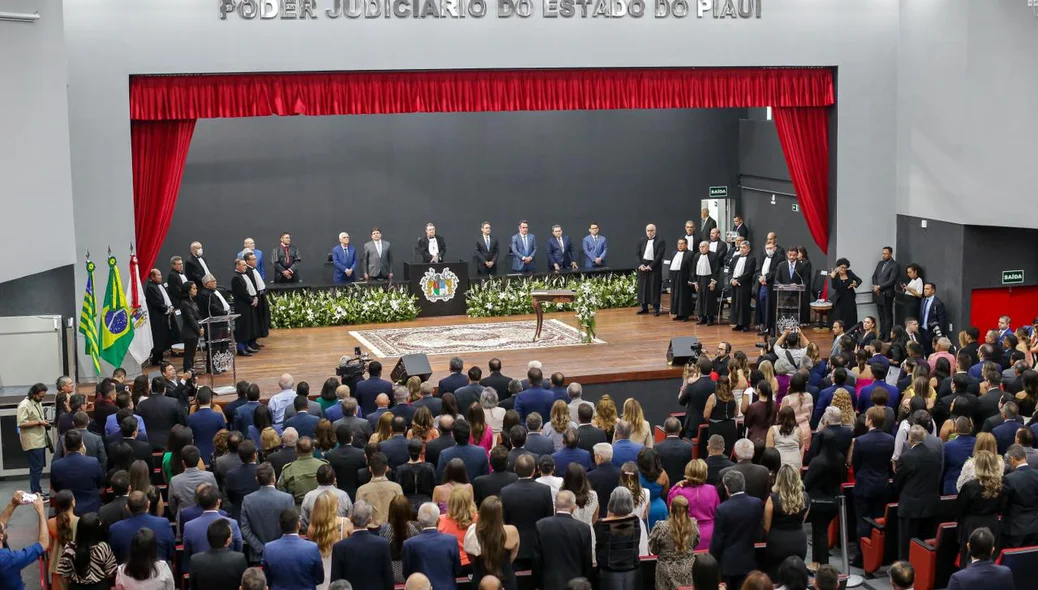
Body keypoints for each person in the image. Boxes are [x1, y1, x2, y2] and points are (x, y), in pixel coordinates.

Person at [710, 470, 763, 590]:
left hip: (729, 565)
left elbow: (717, 541)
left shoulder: (722, 509)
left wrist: (712, 560)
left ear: (727, 488)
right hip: (750, 560)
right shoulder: (756, 503)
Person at [500, 453, 553, 570]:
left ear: (515, 470)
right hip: (538, 545)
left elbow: (503, 520)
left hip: (514, 545)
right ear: (534, 471)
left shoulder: (505, 492)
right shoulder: (544, 490)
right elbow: (549, 517)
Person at [802, 429, 846, 569]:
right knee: (820, 532)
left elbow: (807, 483)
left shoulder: (817, 461)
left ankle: (823, 564)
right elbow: (842, 478)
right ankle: (816, 562)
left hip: (818, 502)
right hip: (834, 501)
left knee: (819, 533)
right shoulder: (840, 458)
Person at [532, 490, 592, 590]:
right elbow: (587, 560)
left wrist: (537, 583)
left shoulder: (541, 525)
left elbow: (537, 559)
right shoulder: (583, 528)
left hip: (549, 583)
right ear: (573, 506)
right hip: (576, 584)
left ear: (555, 505)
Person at [330, 501, 394, 590]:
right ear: (370, 520)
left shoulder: (340, 547)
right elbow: (388, 578)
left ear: (350, 518)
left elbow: (336, 582)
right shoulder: (382, 544)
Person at [181, 484, 243, 573]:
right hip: (228, 570)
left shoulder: (189, 526)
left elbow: (187, 550)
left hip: (201, 571)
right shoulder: (232, 523)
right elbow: (238, 546)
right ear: (218, 502)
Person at [464, 496, 521, 590]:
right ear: (500, 514)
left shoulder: (472, 531)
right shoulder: (512, 531)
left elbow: (471, 557)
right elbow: (513, 557)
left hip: (481, 580)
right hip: (506, 579)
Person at [401, 503, 461, 589]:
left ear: (418, 519)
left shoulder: (409, 544)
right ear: (438, 520)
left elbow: (407, 573)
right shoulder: (451, 541)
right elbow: (457, 570)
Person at [764, 464, 809, 577]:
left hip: (777, 544)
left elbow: (766, 527)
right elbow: (802, 521)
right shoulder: (805, 498)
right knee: (795, 577)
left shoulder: (772, 499)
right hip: (799, 542)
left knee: (776, 578)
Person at [261, 508, 323, 590]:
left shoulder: (269, 548)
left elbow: (267, 579)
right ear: (298, 525)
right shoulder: (312, 548)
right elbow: (319, 578)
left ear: (279, 525)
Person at [594, 487, 643, 590]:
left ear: (612, 502)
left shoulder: (602, 524)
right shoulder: (635, 521)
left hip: (610, 572)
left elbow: (600, 549)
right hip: (631, 569)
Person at [648, 494, 697, 590]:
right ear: (687, 510)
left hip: (666, 572)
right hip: (688, 569)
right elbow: (695, 543)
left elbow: (653, 549)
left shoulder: (661, 527)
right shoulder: (693, 525)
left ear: (671, 509)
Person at [51, 430, 105, 516]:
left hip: (67, 510)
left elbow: (56, 488)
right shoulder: (93, 462)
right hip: (92, 509)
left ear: (64, 445)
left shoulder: (56, 465)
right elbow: (100, 483)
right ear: (81, 444)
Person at [1001, 444, 1038, 548]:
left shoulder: (1008, 479)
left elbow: (1003, 505)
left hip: (1014, 530)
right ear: (1026, 457)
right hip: (1035, 527)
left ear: (1012, 459)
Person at [17, 383, 50, 496]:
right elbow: (21, 423)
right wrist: (38, 422)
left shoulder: (37, 402)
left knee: (38, 467)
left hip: (39, 440)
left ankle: (37, 490)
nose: (42, 398)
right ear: (33, 394)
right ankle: (35, 492)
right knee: (36, 469)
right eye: (40, 396)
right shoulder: (24, 405)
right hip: (32, 442)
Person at [720, 439, 771, 503]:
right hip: (757, 510)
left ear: (735, 453)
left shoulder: (724, 472)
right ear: (753, 453)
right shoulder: (764, 471)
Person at [144, 268, 176, 367]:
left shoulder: (159, 286)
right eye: (158, 275)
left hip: (163, 316)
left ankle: (160, 357)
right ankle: (156, 359)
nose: (161, 276)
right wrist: (166, 309)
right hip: (156, 317)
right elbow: (157, 302)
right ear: (152, 277)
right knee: (158, 338)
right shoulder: (151, 287)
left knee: (163, 337)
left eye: (160, 274)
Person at [636, 223, 665, 316]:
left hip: (654, 268)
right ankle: (644, 308)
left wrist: (651, 266)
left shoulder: (660, 241)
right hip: (643, 267)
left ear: (655, 231)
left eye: (651, 230)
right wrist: (640, 264)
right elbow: (638, 254)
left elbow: (659, 255)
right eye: (648, 231)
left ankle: (656, 308)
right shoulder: (641, 241)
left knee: (654, 288)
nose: (649, 232)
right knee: (643, 288)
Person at [729, 240, 757, 331]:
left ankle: (745, 324)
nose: (741, 249)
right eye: (741, 247)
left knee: (743, 304)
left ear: (748, 249)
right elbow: (730, 270)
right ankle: (737, 323)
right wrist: (732, 279)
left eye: (744, 248)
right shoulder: (735, 258)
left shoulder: (751, 259)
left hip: (744, 284)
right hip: (734, 284)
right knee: (735, 304)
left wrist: (738, 280)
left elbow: (749, 272)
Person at [870, 248, 900, 336]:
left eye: (885, 254)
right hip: (878, 293)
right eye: (882, 253)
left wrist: (879, 287)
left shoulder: (895, 265)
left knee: (887, 316)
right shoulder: (880, 263)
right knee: (881, 315)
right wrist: (875, 286)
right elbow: (874, 276)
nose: (883, 255)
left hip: (887, 294)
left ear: (890, 254)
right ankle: (882, 334)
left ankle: (888, 335)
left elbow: (892, 280)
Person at [692, 240, 721, 325]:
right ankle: (702, 317)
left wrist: (713, 282)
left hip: (709, 279)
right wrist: (695, 282)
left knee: (709, 299)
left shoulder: (713, 255)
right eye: (700, 247)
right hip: (699, 279)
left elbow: (716, 270)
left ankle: (710, 318)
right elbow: (693, 269)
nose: (701, 248)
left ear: (708, 247)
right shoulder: (697, 256)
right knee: (700, 299)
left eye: (703, 247)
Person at [767, 406, 804, 472]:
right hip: (796, 463)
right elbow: (801, 446)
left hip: (779, 463)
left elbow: (769, 449)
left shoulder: (772, 429)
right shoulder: (798, 430)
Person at [828, 258, 861, 327]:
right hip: (840, 300)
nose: (843, 269)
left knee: (851, 318)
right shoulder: (835, 275)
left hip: (850, 298)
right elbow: (834, 287)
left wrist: (855, 284)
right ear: (838, 267)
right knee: (840, 318)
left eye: (845, 268)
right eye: (842, 267)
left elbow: (859, 280)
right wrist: (833, 278)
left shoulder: (849, 273)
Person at [919, 283, 948, 356]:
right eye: (924, 289)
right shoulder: (923, 300)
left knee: (932, 351)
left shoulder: (938, 303)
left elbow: (942, 319)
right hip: (923, 330)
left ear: (933, 291)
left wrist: (940, 334)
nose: (925, 291)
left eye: (927, 289)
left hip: (932, 331)